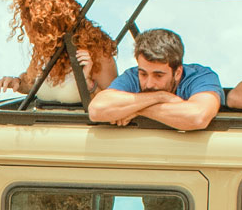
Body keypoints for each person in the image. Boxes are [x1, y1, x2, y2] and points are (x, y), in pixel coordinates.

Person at [0, 0, 119, 103]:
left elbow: (115, 107)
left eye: (34, 28)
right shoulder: (44, 50)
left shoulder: (97, 54)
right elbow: (31, 83)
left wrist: (88, 83)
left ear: (50, 27)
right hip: (40, 125)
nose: (28, 32)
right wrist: (16, 82)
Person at [86, 28, 222, 132]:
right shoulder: (133, 75)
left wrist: (135, 110)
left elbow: (197, 117)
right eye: (143, 74)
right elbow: (96, 110)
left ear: (178, 72)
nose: (149, 83)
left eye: (158, 75)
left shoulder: (201, 76)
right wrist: (162, 96)